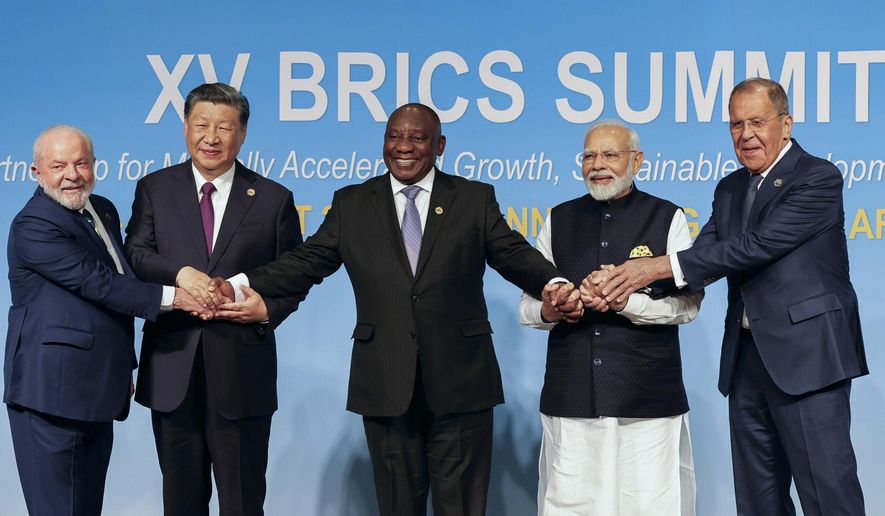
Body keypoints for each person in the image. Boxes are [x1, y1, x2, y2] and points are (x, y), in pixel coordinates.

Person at [214, 103, 578, 516]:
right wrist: (240, 283)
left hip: (461, 383)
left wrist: (555, 284)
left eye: (417, 138)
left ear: (439, 145)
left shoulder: (474, 199)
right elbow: (306, 262)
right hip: (385, 382)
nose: (403, 147)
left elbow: (512, 253)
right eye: (394, 137)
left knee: (461, 507)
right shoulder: (352, 203)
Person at [595, 78, 867, 516]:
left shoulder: (817, 177)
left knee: (827, 495)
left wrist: (656, 266)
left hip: (808, 359)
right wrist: (627, 279)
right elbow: (703, 255)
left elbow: (757, 245)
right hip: (746, 363)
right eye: (736, 125)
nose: (746, 135)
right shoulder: (730, 188)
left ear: (786, 123)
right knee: (758, 500)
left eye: (757, 122)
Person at [4, 125, 206, 515]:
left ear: (95, 165)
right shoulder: (33, 224)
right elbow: (98, 283)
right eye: (58, 165)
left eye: (81, 163)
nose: (72, 175)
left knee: (85, 507)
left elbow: (125, 272)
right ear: (37, 172)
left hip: (97, 386)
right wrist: (179, 298)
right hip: (50, 395)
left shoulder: (104, 209)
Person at [123, 83, 303, 516]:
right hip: (172, 367)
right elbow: (136, 253)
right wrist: (180, 273)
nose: (212, 137)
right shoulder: (154, 188)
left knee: (242, 502)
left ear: (242, 134)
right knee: (181, 502)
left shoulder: (273, 199)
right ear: (185, 128)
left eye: (225, 127)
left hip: (242, 373)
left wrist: (267, 310)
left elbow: (295, 274)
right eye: (201, 124)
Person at [519, 120, 702, 516]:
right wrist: (553, 309)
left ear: (637, 161)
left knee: (651, 506)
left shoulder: (667, 217)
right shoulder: (558, 219)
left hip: (647, 400)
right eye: (589, 156)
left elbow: (688, 307)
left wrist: (625, 302)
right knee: (569, 505)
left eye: (609, 154)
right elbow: (526, 307)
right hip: (571, 397)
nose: (597, 164)